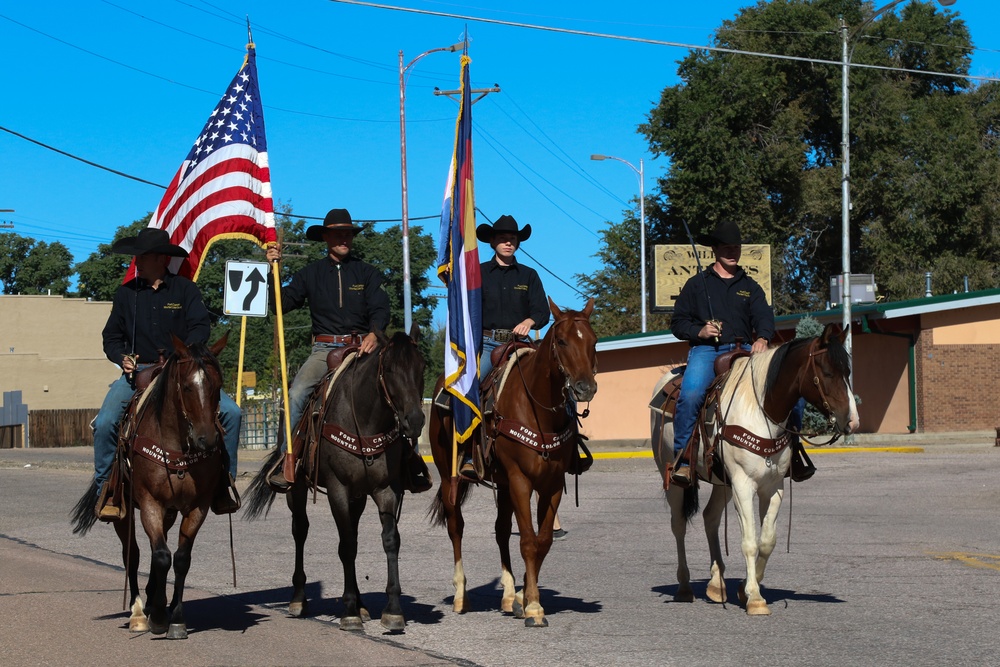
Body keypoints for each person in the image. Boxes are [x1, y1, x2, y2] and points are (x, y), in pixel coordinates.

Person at [265, 208, 431, 493]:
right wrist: (272, 270)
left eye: (348, 234)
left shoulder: (367, 272)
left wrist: (374, 334)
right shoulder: (309, 274)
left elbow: (380, 307)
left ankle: (409, 458)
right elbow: (281, 303)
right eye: (338, 233)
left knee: (397, 386)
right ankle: (286, 458)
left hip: (364, 348)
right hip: (324, 350)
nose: (344, 238)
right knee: (296, 394)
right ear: (326, 237)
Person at [94, 228, 242, 519]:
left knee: (232, 414)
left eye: (143, 256)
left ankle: (224, 483)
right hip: (141, 373)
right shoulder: (127, 294)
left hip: (182, 370)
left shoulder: (186, 290)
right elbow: (111, 336)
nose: (137, 261)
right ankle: (107, 489)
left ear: (161, 259)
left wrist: (185, 353)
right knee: (105, 422)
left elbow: (201, 327)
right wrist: (121, 357)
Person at [669, 220, 775, 487]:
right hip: (708, 351)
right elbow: (678, 323)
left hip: (746, 351)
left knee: (783, 386)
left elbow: (765, 318)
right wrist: (700, 331)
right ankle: (683, 460)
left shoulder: (750, 286)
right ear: (714, 249)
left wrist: (762, 338)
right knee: (691, 394)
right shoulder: (696, 285)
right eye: (726, 247)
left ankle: (793, 456)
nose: (732, 252)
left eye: (736, 247)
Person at [457, 214, 550, 481]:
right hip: (486, 344)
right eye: (502, 238)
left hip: (521, 344)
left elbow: (542, 311)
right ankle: (469, 454)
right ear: (492, 242)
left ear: (518, 243)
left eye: (512, 238)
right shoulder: (478, 273)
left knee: (555, 381)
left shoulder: (529, 275)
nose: (508, 242)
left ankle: (571, 446)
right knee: (470, 389)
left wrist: (530, 321)